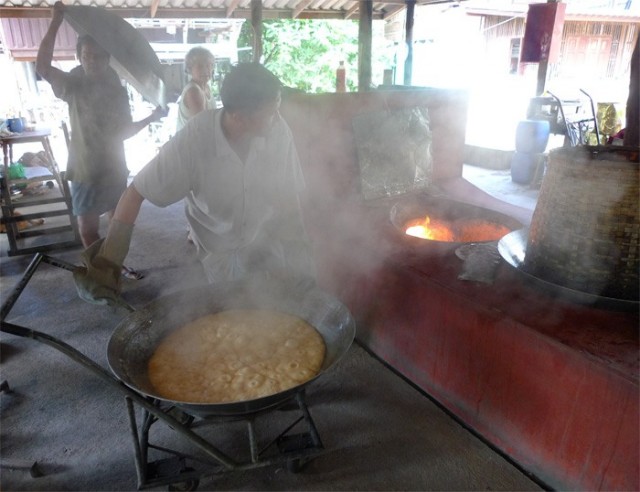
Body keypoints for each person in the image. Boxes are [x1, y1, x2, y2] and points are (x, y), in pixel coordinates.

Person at [74, 63, 315, 306]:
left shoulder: (278, 131)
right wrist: (108, 262)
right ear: (239, 117)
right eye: (270, 114)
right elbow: (135, 192)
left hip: (264, 239)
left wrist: (300, 250)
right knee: (235, 314)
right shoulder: (194, 141)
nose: (277, 120)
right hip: (217, 249)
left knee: (280, 307)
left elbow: (288, 194)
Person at [36, 1, 163, 279]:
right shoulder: (73, 83)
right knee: (87, 227)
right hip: (85, 169)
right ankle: (99, 269)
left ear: (109, 59)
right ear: (79, 56)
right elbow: (43, 67)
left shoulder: (117, 88)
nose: (92, 60)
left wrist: (152, 118)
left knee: (118, 223)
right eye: (87, 55)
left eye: (99, 56)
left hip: (115, 167)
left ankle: (114, 266)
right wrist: (55, 21)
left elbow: (124, 131)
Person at [176, 46, 216, 132]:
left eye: (209, 65)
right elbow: (204, 127)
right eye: (200, 66)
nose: (206, 70)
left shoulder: (207, 88)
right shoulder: (193, 91)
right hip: (188, 144)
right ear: (190, 69)